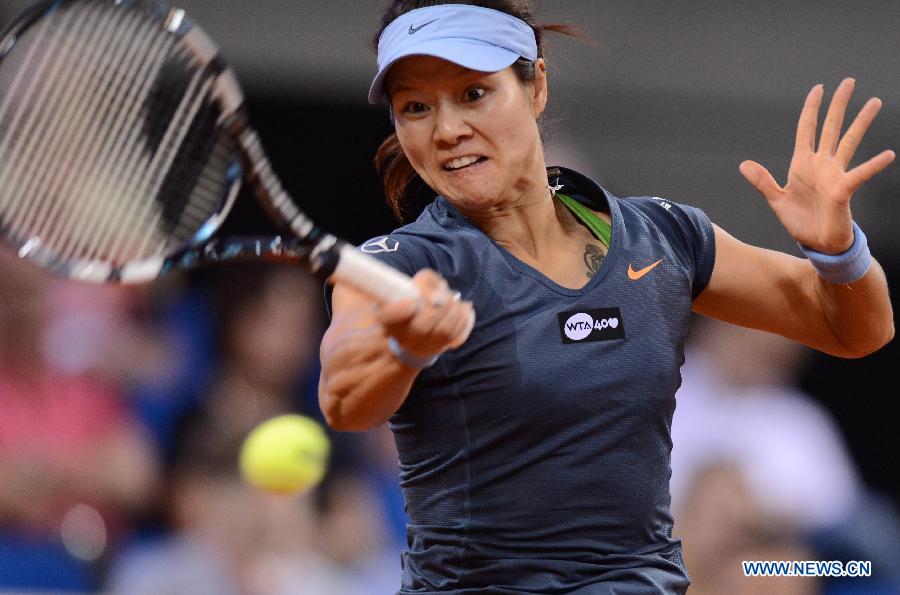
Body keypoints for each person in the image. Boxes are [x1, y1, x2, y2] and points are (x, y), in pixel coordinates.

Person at [318, 1, 895, 593]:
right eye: (415, 107)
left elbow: (855, 329)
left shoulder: (665, 237)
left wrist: (838, 250)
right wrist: (404, 349)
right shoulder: (398, 266)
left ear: (536, 86)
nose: (446, 130)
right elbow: (345, 400)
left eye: (473, 93)